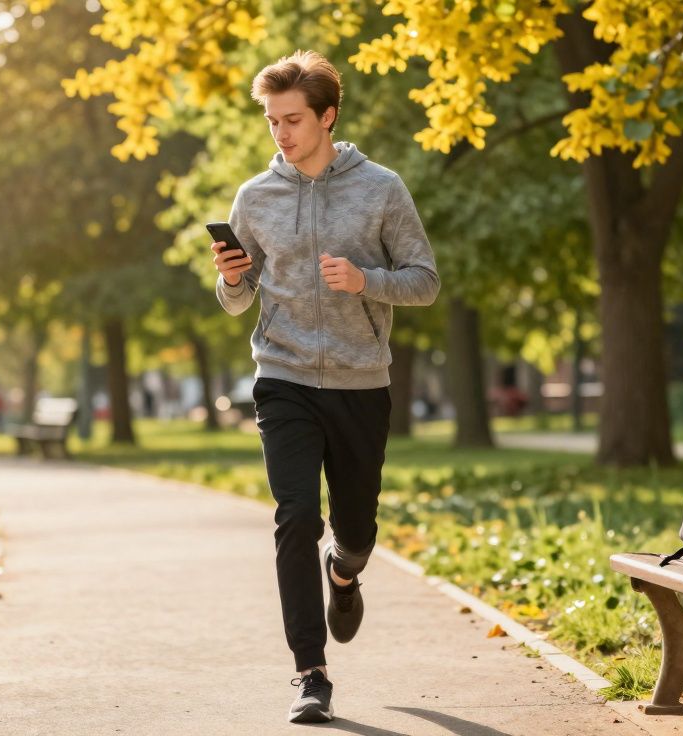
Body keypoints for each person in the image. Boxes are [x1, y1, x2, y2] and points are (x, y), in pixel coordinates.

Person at [211, 50, 440, 724]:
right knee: (294, 518)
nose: (280, 133)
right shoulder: (256, 196)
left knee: (355, 527)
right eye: (272, 121)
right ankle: (310, 672)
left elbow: (424, 280)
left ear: (327, 116)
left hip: (360, 380)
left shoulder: (382, 188)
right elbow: (237, 299)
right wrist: (230, 278)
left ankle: (345, 572)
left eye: (292, 120)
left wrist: (365, 280)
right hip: (282, 377)